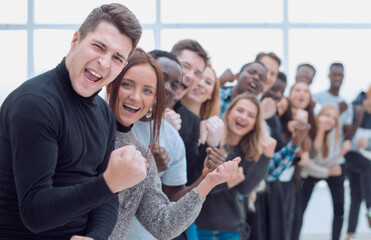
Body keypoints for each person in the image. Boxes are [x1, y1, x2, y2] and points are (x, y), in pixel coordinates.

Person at [0, 3, 143, 239]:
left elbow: (107, 200)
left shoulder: (103, 113)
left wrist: (94, 236)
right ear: (76, 40)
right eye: (98, 46)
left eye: (117, 58)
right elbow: (35, 213)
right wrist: (108, 183)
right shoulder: (35, 104)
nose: (104, 63)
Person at [106, 49, 241, 240]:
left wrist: (207, 180)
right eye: (129, 85)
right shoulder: (92, 125)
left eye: (147, 90)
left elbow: (164, 221)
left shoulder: (157, 143)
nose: (166, 88)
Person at [195, 93, 277, 240]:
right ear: (229, 112)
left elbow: (245, 188)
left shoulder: (250, 151)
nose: (244, 117)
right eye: (240, 110)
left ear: (254, 123)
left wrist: (266, 157)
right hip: (199, 226)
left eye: (251, 115)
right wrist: (227, 183)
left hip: (232, 229)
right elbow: (194, 184)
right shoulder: (212, 140)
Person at [297, 105, 352, 240]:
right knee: (300, 208)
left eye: (334, 119)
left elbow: (325, 161)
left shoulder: (334, 134)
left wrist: (340, 154)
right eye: (327, 115)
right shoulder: (310, 131)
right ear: (319, 115)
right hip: (315, 172)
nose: (330, 120)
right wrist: (327, 172)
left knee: (339, 208)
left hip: (328, 169)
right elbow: (310, 163)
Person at [345, 86, 371, 240]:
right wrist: (359, 119)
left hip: (363, 156)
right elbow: (345, 136)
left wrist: (367, 143)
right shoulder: (355, 106)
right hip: (350, 155)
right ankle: (370, 207)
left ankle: (351, 232)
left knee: (356, 195)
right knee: (369, 167)